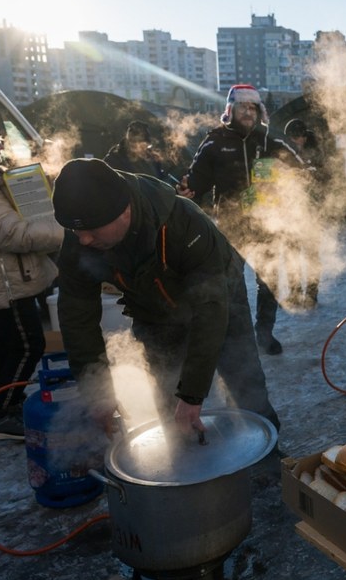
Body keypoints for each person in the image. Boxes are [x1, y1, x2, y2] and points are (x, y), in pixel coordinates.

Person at [52, 158, 280, 436]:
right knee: (168, 400)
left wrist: (193, 394)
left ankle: (271, 463)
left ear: (124, 211)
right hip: (153, 314)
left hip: (221, 301)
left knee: (245, 383)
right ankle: (184, 465)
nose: (83, 240)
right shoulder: (81, 237)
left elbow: (211, 310)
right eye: (77, 231)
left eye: (92, 230)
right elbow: (77, 315)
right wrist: (97, 393)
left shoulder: (184, 223)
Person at [176, 84, 307, 354]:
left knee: (269, 281)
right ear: (230, 110)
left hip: (267, 222)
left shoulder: (270, 138)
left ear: (259, 110)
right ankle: (239, 336)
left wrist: (291, 179)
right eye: (242, 107)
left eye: (253, 107)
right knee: (232, 285)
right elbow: (197, 178)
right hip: (231, 225)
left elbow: (301, 167)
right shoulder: (215, 140)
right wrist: (188, 188)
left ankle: (264, 333)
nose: (248, 112)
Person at [0, 114, 63, 439]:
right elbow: (11, 234)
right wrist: (64, 231)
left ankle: (7, 407)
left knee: (7, 349)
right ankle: (2, 414)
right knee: (27, 346)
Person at [275, 118, 323, 308]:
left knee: (311, 254)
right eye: (291, 139)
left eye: (298, 138)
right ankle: (294, 293)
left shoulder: (316, 151)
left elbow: (322, 178)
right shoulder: (284, 153)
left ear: (304, 136)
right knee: (290, 252)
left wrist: (307, 174)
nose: (295, 142)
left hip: (312, 210)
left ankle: (311, 294)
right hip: (289, 211)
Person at [103, 120, 172, 182]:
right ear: (133, 143)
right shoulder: (115, 159)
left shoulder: (151, 159)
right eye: (143, 145)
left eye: (147, 145)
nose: (145, 149)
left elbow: (160, 180)